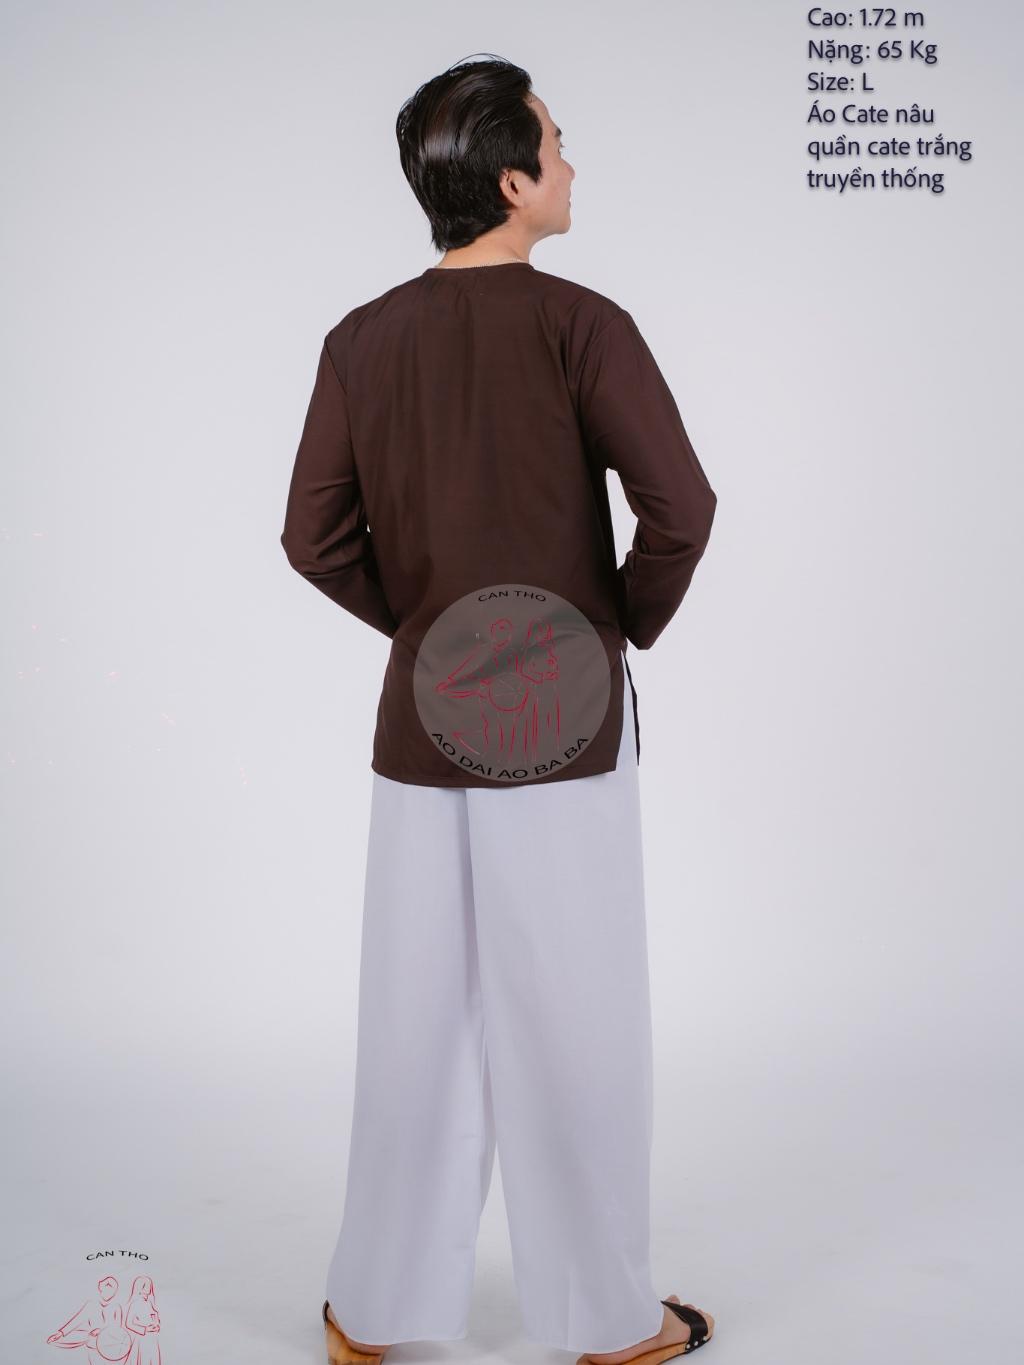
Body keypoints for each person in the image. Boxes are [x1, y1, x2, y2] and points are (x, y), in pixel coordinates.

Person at [281, 53, 718, 1365]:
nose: (573, 163)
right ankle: (610, 1320)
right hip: (565, 726)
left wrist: (431, 630)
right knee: (575, 1014)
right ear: (515, 183)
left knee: (416, 1015)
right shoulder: (583, 325)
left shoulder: (361, 340)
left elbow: (312, 538)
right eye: (558, 143)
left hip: (424, 725)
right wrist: (609, 626)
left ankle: (371, 1310)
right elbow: (682, 510)